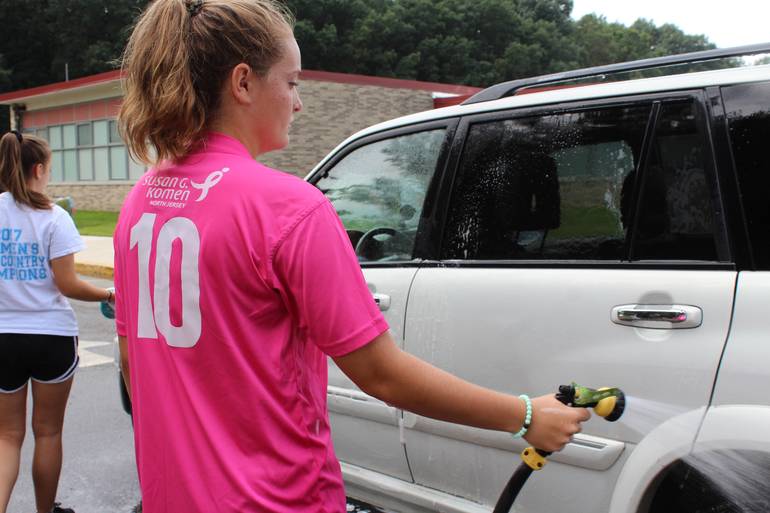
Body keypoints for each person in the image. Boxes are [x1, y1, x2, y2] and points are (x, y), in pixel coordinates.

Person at [112, 1, 591, 512]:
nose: (298, 104)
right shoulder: (288, 207)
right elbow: (382, 374)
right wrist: (524, 416)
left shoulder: (142, 200)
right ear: (244, 83)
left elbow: (131, 363)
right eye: (292, 82)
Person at [0, 131, 114, 513]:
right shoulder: (54, 217)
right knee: (47, 432)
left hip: (3, 337)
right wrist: (107, 294)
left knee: (6, 437)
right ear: (38, 169)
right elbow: (68, 284)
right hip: (51, 337)